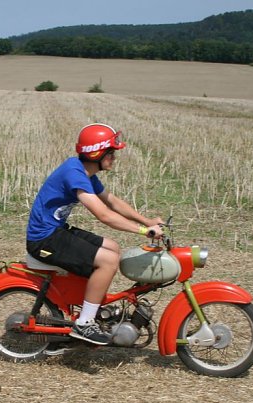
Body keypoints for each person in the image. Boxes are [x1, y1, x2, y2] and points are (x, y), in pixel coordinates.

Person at [26, 123, 164, 346]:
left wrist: (146, 220)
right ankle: (85, 323)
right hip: (44, 239)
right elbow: (104, 215)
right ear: (96, 152)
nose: (114, 157)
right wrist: (143, 231)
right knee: (108, 261)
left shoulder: (84, 171)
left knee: (113, 248)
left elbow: (111, 201)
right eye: (111, 152)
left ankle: (91, 305)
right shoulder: (75, 174)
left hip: (56, 231)